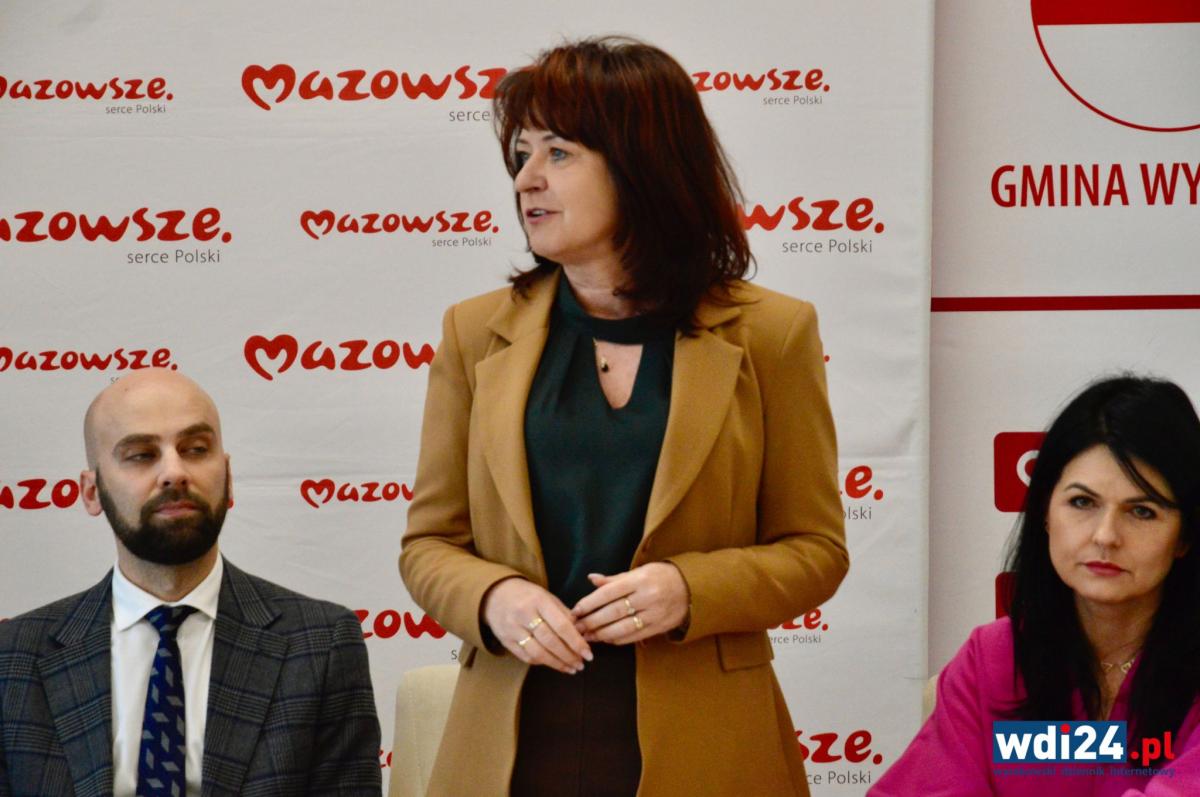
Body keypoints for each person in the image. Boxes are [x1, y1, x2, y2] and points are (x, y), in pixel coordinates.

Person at [400, 36, 847, 797]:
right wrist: (493, 597)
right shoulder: (475, 332)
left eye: (559, 152)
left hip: (707, 743)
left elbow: (816, 550)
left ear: (644, 165)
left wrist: (690, 587)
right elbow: (430, 544)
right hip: (512, 741)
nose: (526, 178)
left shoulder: (772, 333)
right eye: (521, 154)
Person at [0, 369, 381, 796]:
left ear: (228, 475)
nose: (174, 472)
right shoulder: (14, 658)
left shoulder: (320, 646)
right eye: (141, 455)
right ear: (92, 492)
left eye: (195, 449)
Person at [872, 376, 1200, 796]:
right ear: (1044, 513)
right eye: (1082, 502)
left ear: (1185, 536)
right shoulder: (994, 660)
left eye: (1142, 511)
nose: (1105, 535)